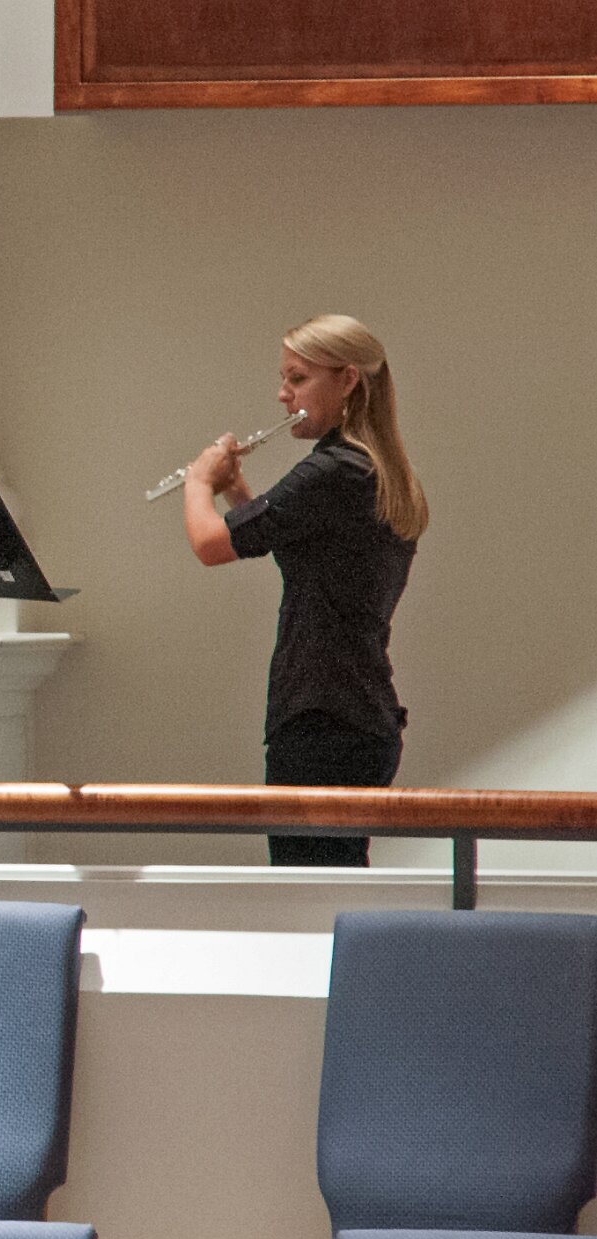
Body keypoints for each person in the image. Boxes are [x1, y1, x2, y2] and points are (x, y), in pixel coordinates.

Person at [179, 314, 424, 868]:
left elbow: (211, 545)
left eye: (298, 378)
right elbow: (299, 554)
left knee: (309, 889)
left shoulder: (334, 471)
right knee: (330, 881)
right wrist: (236, 490)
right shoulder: (369, 469)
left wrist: (198, 483)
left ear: (348, 380)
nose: (283, 394)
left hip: (322, 719)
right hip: (356, 714)